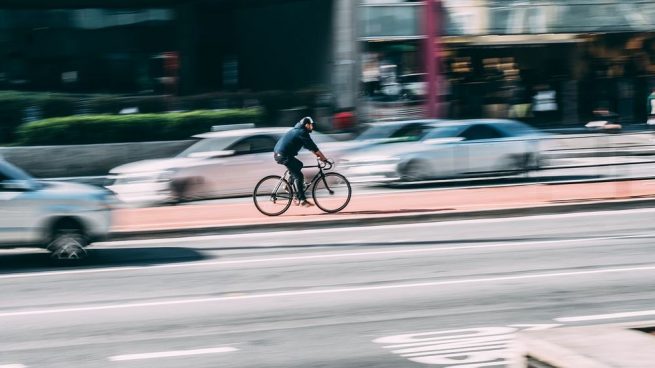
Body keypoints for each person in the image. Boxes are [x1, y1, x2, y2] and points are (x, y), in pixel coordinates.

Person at [273, 116, 329, 207]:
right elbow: (314, 147)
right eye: (311, 125)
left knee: (299, 164)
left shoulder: (299, 131)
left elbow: (310, 147)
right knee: (299, 176)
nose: (312, 127)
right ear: (306, 125)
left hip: (282, 154)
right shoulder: (302, 132)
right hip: (283, 155)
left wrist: (318, 155)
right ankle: (302, 199)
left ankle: (288, 185)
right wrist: (324, 159)